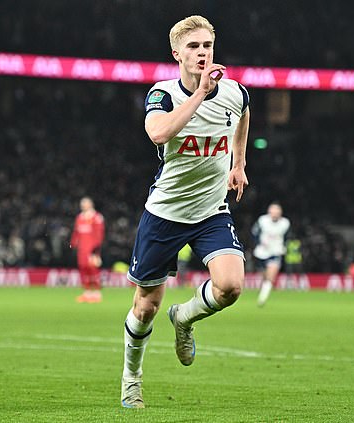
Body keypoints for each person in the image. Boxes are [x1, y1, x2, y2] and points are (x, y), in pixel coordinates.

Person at [120, 15, 250, 409]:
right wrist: (199, 95)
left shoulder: (234, 92)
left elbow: (244, 112)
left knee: (230, 287)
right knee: (145, 306)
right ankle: (132, 377)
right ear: (176, 54)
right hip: (165, 213)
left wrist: (239, 163)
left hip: (211, 210)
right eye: (193, 47)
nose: (202, 53)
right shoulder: (162, 94)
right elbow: (158, 133)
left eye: (207, 46)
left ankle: (185, 318)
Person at [252, 202, 290, 307]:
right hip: (261, 253)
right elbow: (254, 232)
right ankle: (263, 290)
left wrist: (284, 247)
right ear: (269, 212)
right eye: (273, 211)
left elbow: (287, 236)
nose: (275, 213)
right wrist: (258, 243)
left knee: (270, 277)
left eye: (277, 211)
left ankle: (262, 299)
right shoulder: (262, 220)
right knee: (264, 276)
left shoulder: (285, 223)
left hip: (276, 252)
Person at [70, 197, 105, 303]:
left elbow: (99, 234)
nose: (83, 206)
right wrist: (73, 243)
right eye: (82, 204)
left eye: (85, 204)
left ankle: (97, 294)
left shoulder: (97, 217)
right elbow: (76, 232)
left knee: (93, 270)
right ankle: (87, 293)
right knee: (83, 270)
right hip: (82, 250)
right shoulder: (79, 217)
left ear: (91, 205)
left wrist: (96, 249)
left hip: (92, 249)